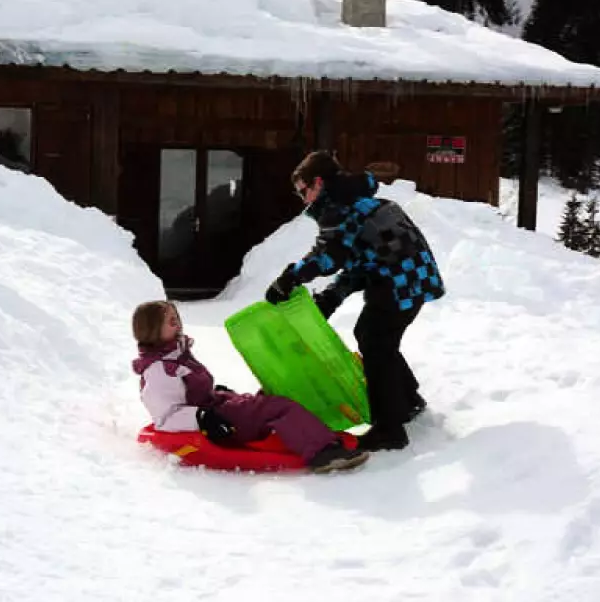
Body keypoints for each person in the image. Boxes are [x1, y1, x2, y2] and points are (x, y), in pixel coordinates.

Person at [265, 151, 445, 452]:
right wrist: (332, 297)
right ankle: (407, 400)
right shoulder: (360, 203)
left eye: (303, 191)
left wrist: (288, 279)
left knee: (376, 342)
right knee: (373, 337)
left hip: (399, 284)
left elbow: (327, 258)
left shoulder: (340, 210)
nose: (303, 200)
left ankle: (389, 429)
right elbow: (362, 259)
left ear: (318, 183)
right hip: (411, 280)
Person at [131, 300, 369, 473]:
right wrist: (202, 417)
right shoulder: (159, 369)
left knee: (272, 394)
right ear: (152, 329)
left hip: (216, 406)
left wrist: (214, 394)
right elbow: (165, 416)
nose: (178, 324)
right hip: (212, 420)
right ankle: (322, 454)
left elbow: (190, 391)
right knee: (279, 407)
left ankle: (312, 434)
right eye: (170, 321)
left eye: (177, 318)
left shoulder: (174, 354)